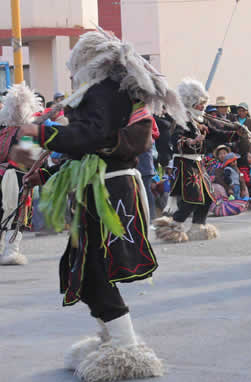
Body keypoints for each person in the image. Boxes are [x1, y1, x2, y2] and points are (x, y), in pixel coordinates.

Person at [13, 29, 186, 381]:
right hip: (97, 188)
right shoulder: (102, 93)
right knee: (86, 270)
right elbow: (87, 148)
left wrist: (39, 134)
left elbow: (89, 137)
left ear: (87, 62)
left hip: (110, 191)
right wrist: (43, 174)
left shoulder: (103, 92)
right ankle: (113, 340)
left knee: (96, 269)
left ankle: (127, 347)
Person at [152, 79, 244, 243]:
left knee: (207, 196)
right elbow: (176, 140)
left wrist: (235, 132)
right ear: (191, 103)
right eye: (200, 103)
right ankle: (174, 226)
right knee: (192, 197)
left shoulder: (200, 120)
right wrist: (193, 141)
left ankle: (198, 226)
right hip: (185, 164)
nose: (202, 106)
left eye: (204, 103)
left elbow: (216, 134)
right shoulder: (182, 119)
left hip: (198, 164)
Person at [0, 84, 41, 266]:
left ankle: (7, 250)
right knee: (18, 214)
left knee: (5, 213)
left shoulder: (3, 132)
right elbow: (30, 159)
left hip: (4, 176)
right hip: (18, 177)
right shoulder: (27, 133)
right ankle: (11, 251)